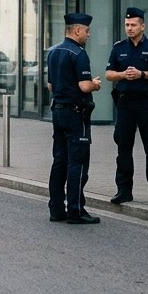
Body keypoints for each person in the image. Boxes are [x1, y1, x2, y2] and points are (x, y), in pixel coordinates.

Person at [104, 7, 148, 205]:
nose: (129, 28)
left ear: (142, 26)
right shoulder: (118, 47)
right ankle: (124, 190)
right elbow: (108, 74)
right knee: (123, 148)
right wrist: (123, 75)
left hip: (146, 103)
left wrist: (143, 74)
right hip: (125, 103)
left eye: (133, 25)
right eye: (127, 25)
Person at [46, 12, 102, 225]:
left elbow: (50, 85)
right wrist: (95, 84)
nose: (88, 35)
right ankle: (76, 210)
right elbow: (84, 86)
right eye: (87, 31)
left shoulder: (54, 52)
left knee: (59, 161)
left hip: (58, 111)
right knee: (77, 162)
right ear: (77, 30)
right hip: (76, 114)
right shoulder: (78, 54)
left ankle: (56, 208)